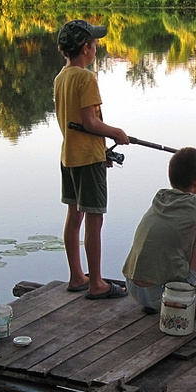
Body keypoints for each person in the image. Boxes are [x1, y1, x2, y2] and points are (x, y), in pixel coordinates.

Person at [55, 19, 130, 299]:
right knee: (94, 219)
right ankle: (97, 283)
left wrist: (103, 150)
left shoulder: (61, 77)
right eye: (95, 43)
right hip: (87, 160)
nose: (97, 46)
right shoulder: (86, 78)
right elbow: (89, 122)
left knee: (74, 216)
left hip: (69, 156)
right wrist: (116, 133)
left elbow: (74, 122)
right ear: (86, 48)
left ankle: (77, 276)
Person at [122, 147, 196, 315]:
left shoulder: (161, 197)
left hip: (133, 289)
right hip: (167, 296)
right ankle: (189, 297)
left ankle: (161, 299)